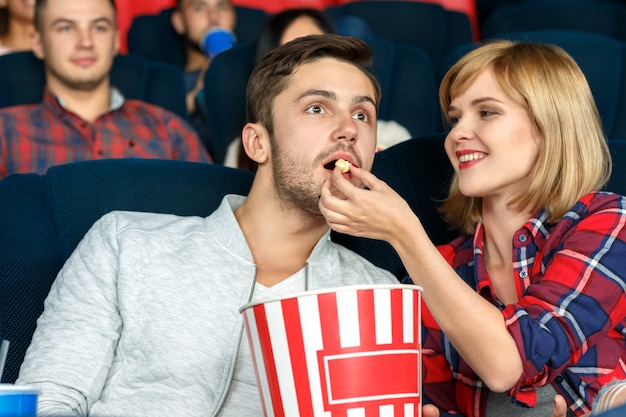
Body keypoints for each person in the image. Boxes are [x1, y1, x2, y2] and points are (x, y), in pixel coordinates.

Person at [15, 34, 399, 416]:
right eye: (317, 108)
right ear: (257, 144)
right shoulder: (124, 243)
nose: (349, 129)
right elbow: (48, 402)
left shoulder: (376, 294)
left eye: (362, 114)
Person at [319, 39, 626, 417]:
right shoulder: (443, 269)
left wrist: (404, 233)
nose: (458, 133)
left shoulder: (609, 222)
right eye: (455, 118)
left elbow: (511, 363)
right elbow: (433, 401)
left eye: (486, 112)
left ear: (550, 126)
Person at [0, 0, 211, 178]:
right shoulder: (5, 133)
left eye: (99, 27)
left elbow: (212, 216)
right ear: (38, 42)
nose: (85, 42)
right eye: (66, 28)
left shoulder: (170, 129)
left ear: (115, 41)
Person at [223, 7, 411, 171]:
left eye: (320, 51)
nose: (349, 130)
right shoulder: (242, 149)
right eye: (316, 109)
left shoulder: (389, 136)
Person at [170, 0, 236, 141]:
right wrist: (196, 97)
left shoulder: (258, 70)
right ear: (179, 21)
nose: (214, 17)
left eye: (222, 7)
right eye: (199, 7)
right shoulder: (170, 87)